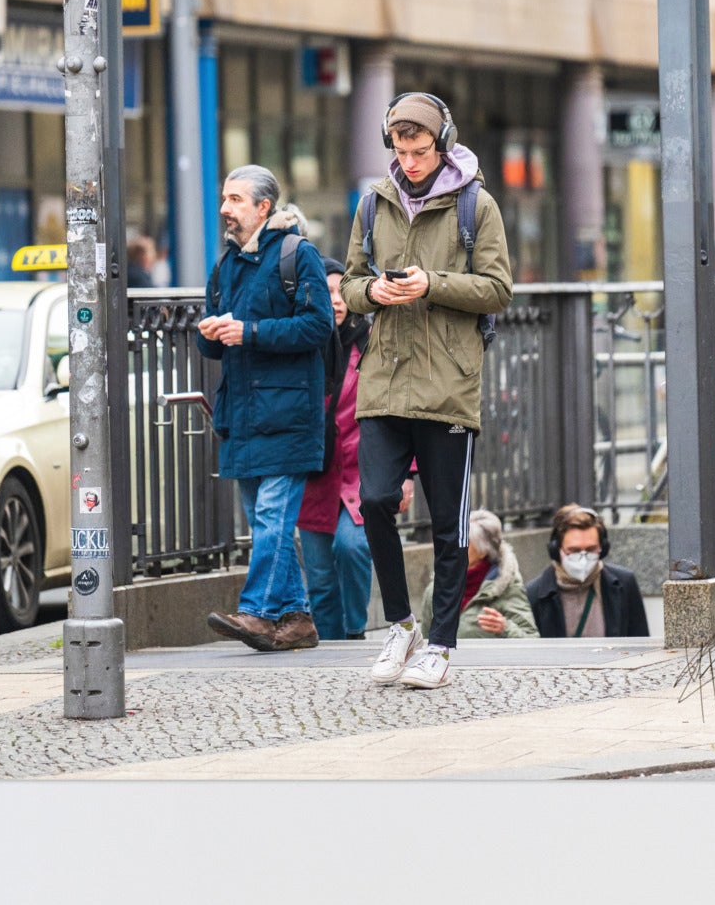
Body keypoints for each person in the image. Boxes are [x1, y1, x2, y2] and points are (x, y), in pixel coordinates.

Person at [342, 91, 513, 690]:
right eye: (400, 149)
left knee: (448, 523)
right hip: (385, 379)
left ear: (442, 144)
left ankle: (440, 643)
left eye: (420, 150)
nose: (410, 161)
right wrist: (374, 294)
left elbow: (497, 288)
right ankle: (401, 625)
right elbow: (351, 284)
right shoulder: (372, 204)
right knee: (375, 500)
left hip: (448, 385)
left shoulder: (476, 205)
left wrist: (431, 284)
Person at [197, 169, 333, 652]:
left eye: (235, 199)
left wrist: (249, 332)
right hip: (244, 415)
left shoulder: (300, 255)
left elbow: (319, 327)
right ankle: (297, 620)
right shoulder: (227, 264)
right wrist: (210, 332)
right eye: (223, 198)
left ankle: (255, 612)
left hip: (288, 414)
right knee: (264, 523)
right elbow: (216, 348)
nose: (225, 209)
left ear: (264, 207)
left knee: (273, 519)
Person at [295, 259, 373, 641]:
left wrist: (407, 475)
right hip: (314, 473)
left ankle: (355, 630)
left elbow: (398, 409)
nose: (336, 300)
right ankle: (329, 647)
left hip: (362, 473)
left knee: (353, 546)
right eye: (326, 293)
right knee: (321, 576)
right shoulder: (302, 346)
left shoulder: (370, 342)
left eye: (342, 291)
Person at [526, 503, 652, 639]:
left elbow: (640, 645)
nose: (583, 557)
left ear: (603, 548)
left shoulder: (624, 584)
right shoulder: (534, 594)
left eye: (591, 549)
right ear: (556, 550)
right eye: (574, 550)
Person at [417, 508, 539, 640]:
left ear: (483, 550)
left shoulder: (507, 589)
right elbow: (424, 643)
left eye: (464, 542)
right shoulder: (435, 591)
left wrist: (505, 628)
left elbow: (531, 640)